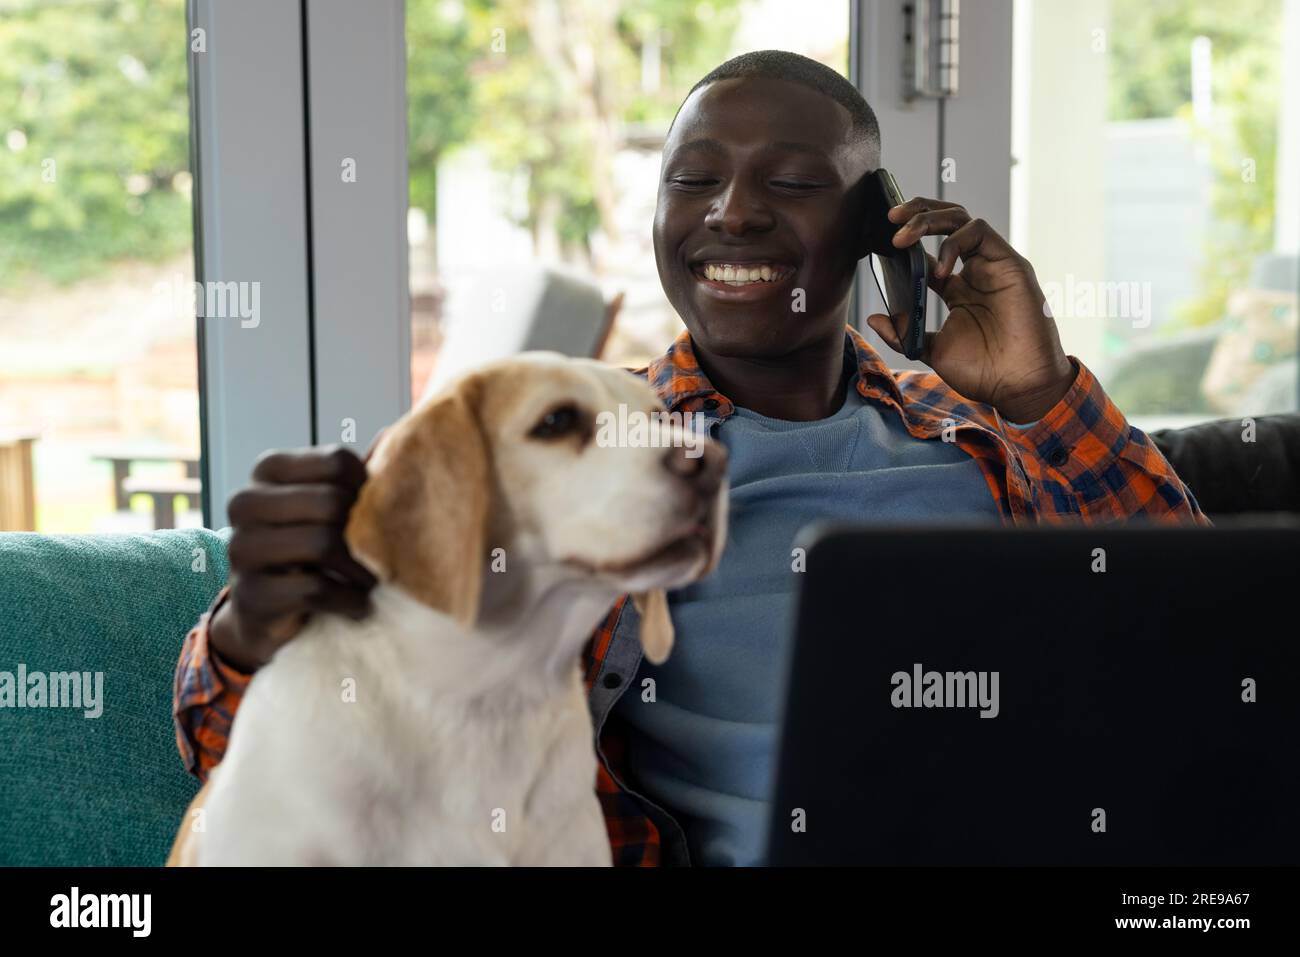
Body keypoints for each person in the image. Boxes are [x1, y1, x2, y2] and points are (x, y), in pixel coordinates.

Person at [173, 50, 1207, 867]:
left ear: (872, 228)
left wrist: (1035, 396)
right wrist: (253, 620)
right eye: (693, 180)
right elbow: (270, 759)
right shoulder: (581, 455)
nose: (733, 211)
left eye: (792, 181)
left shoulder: (978, 429)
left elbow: (1204, 643)